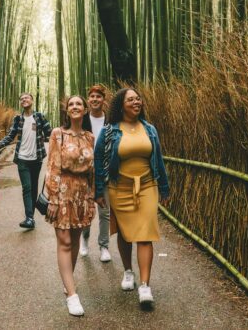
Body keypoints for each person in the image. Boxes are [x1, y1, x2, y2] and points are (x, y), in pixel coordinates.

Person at [94, 88, 170, 307]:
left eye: (138, 99)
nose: (136, 102)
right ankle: (128, 271)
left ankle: (145, 285)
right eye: (131, 99)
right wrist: (99, 190)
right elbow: (99, 158)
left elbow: (159, 159)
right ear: (121, 105)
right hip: (120, 187)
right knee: (126, 234)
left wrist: (164, 188)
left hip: (147, 186)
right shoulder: (110, 130)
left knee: (145, 233)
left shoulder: (150, 129)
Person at [45, 95, 95, 316]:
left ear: (85, 110)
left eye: (79, 104)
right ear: (67, 110)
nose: (75, 107)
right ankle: (73, 296)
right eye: (71, 104)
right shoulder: (58, 134)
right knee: (64, 240)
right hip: (63, 190)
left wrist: (92, 199)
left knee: (74, 239)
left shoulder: (90, 137)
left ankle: (69, 284)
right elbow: (53, 166)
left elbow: (93, 172)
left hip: (82, 193)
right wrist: (53, 197)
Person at [0, 92, 52, 229]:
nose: (24, 100)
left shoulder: (39, 117)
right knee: (27, 187)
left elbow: (50, 133)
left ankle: (31, 215)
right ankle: (29, 218)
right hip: (22, 158)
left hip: (36, 158)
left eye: (27, 98)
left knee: (34, 187)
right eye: (22, 98)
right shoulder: (18, 119)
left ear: (32, 100)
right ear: (20, 102)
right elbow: (11, 135)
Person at [80, 85, 111, 262]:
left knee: (104, 211)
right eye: (91, 96)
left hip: (105, 171)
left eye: (98, 96)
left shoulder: (110, 120)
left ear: (103, 99)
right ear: (88, 99)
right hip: (86, 171)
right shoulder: (83, 119)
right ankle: (84, 240)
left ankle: (104, 246)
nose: (94, 99)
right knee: (86, 210)